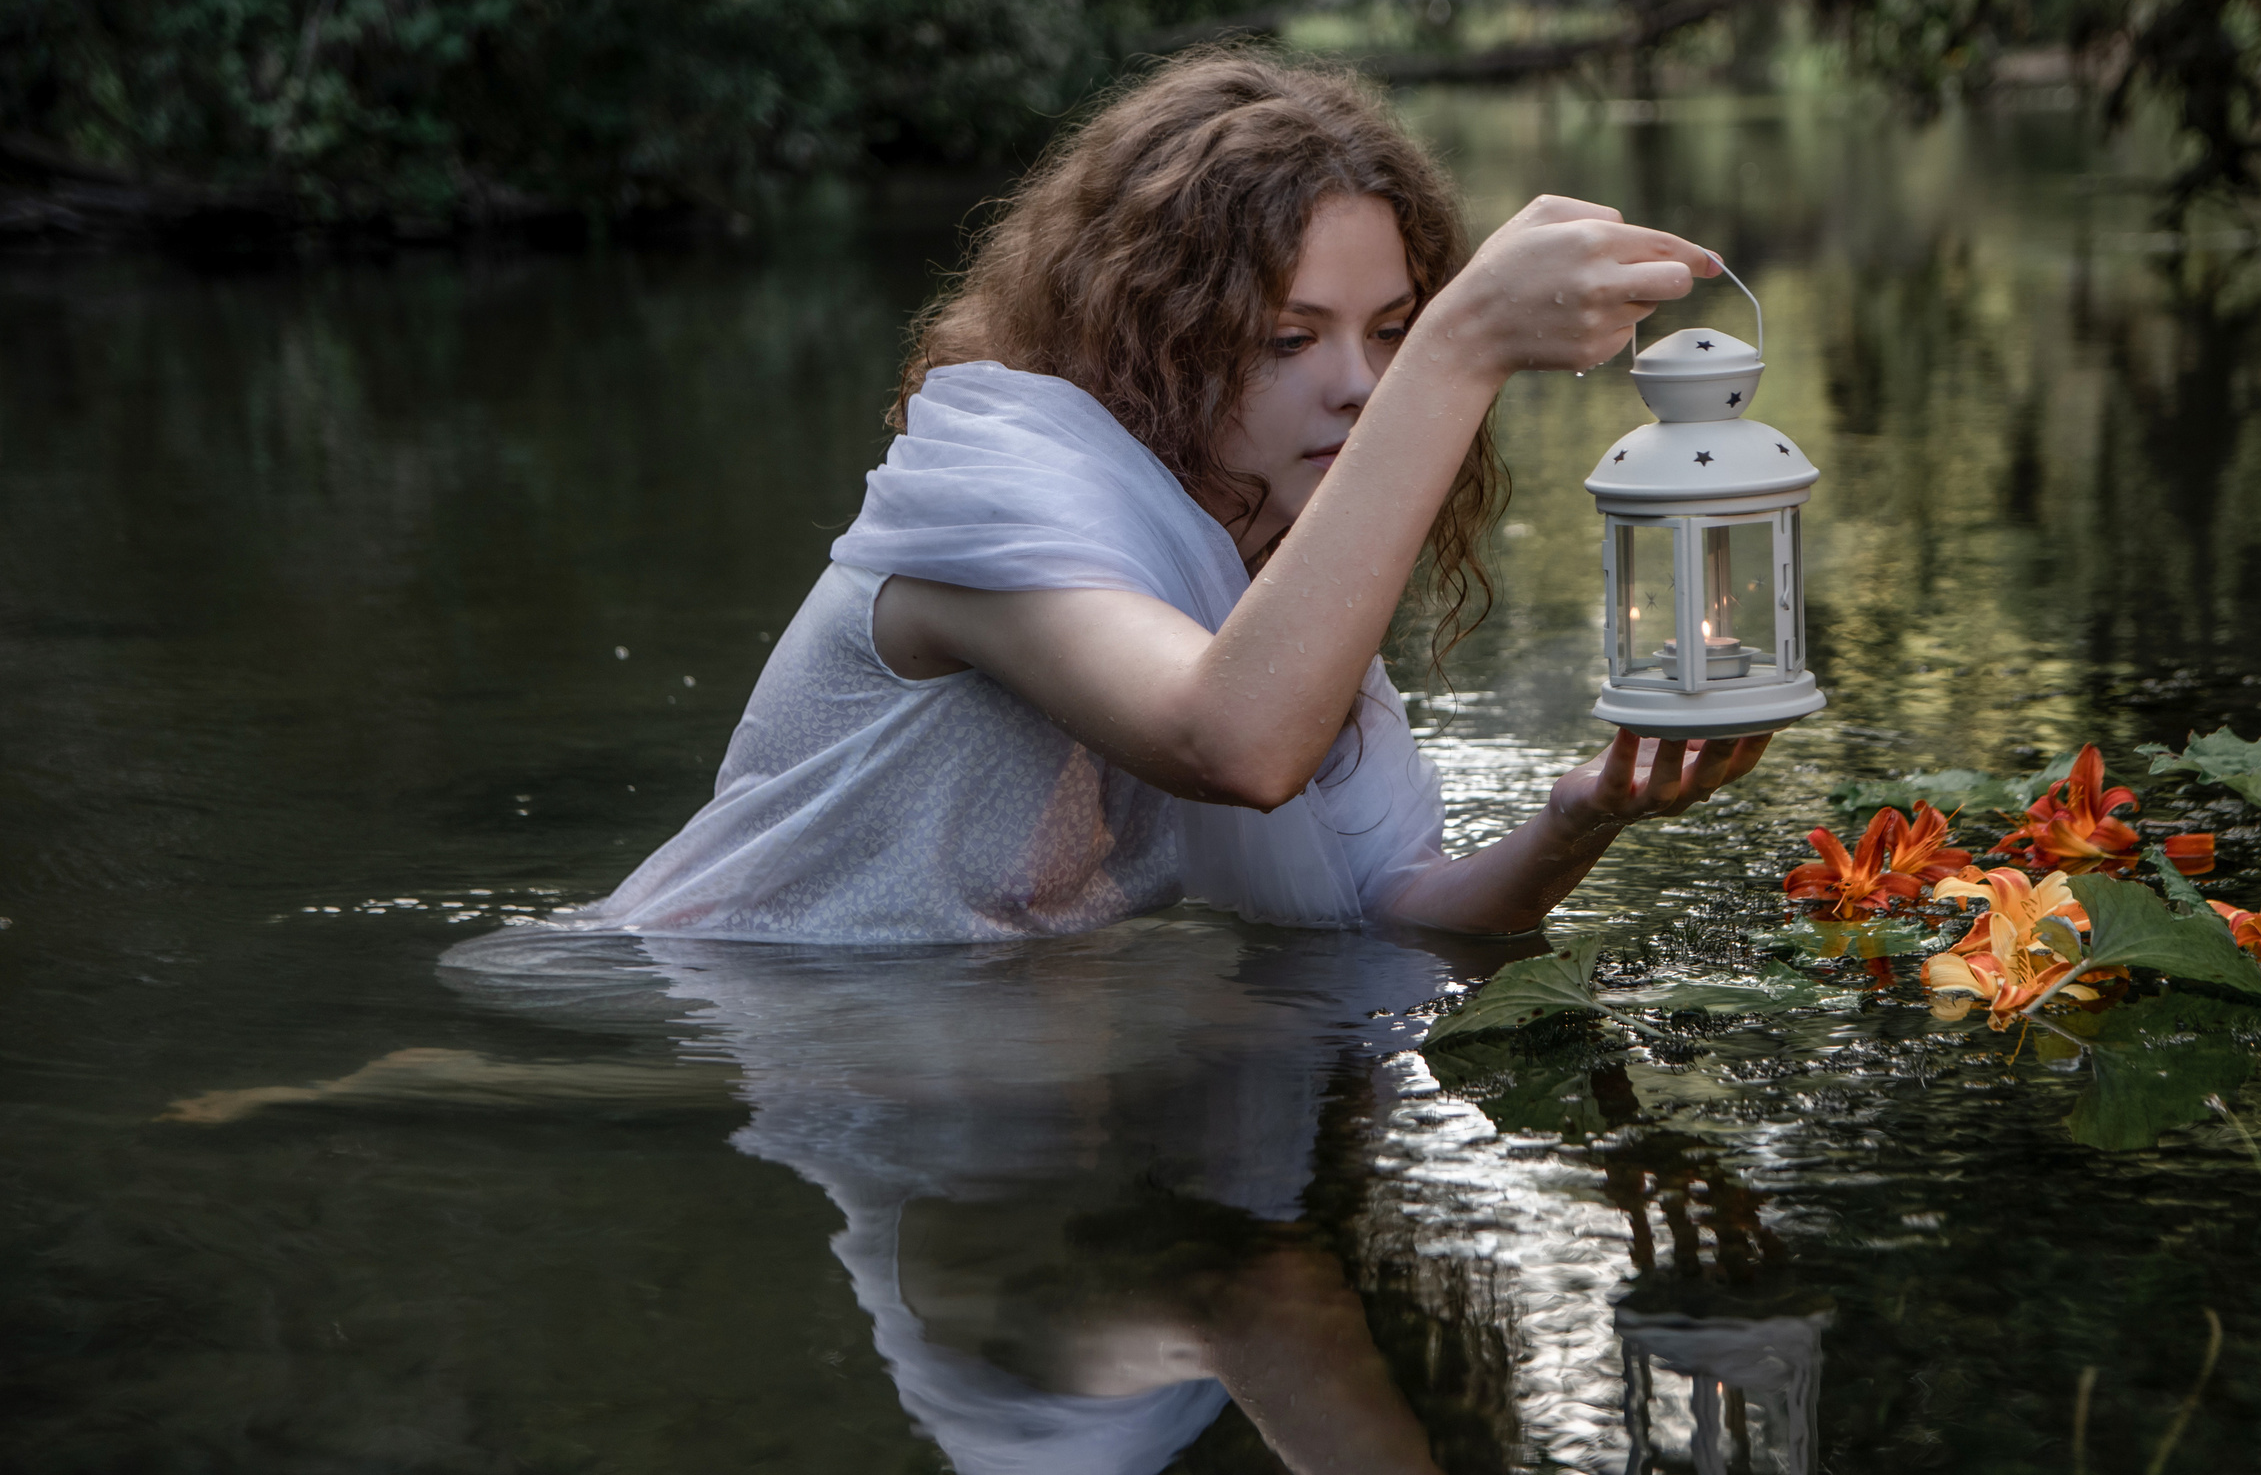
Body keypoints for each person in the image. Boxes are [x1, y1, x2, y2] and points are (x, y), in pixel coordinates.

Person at [568, 50, 1768, 945]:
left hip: (975, 1065)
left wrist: (1578, 821)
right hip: (705, 1015)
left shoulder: (1253, 556)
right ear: (1152, 334)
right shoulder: (993, 492)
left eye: (1394, 331)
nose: (1361, 387)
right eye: (1288, 338)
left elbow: (1387, 905)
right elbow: (1233, 744)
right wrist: (1459, 352)